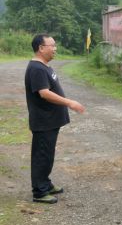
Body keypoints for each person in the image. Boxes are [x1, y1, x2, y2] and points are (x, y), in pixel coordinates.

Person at [25, 34, 85, 204]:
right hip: (43, 121)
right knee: (42, 155)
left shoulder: (44, 66)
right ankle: (39, 192)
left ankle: (45, 183)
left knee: (47, 155)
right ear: (41, 48)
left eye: (55, 45)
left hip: (50, 121)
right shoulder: (36, 68)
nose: (55, 48)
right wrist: (70, 102)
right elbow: (44, 93)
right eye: (52, 45)